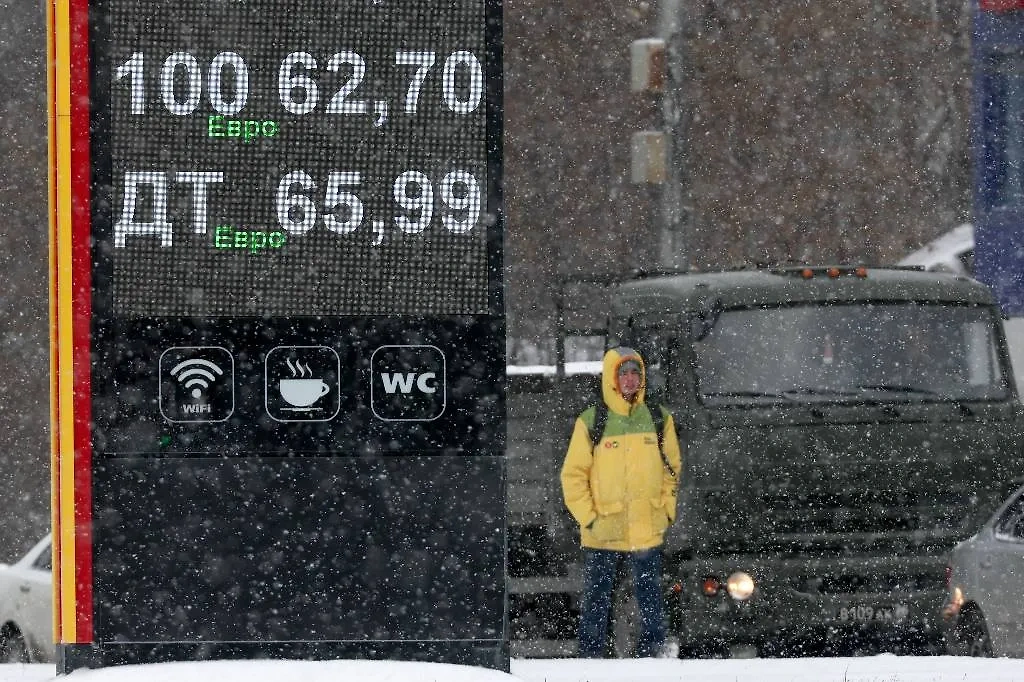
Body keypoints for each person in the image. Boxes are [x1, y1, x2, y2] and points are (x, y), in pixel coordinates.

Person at [560, 346, 682, 658]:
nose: (630, 379)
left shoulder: (658, 418)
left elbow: (672, 471)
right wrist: (590, 519)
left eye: (635, 373)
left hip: (647, 527)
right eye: (623, 372)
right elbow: (573, 476)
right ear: (612, 378)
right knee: (597, 602)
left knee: (650, 598)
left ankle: (651, 659)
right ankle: (590, 663)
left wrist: (666, 510)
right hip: (604, 530)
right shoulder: (592, 421)